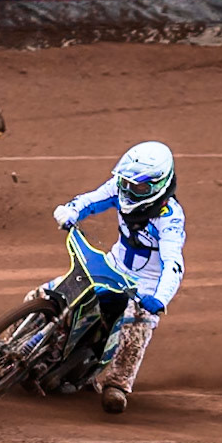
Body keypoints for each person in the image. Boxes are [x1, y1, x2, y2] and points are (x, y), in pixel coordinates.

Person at [51, 141, 184, 414]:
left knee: (139, 322)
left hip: (144, 285)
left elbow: (174, 263)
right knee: (51, 294)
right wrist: (71, 210)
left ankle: (118, 384)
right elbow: (92, 199)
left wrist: (159, 298)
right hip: (112, 265)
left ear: (160, 185)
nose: (130, 191)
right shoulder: (120, 189)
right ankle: (13, 347)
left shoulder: (169, 218)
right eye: (126, 183)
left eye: (140, 187)